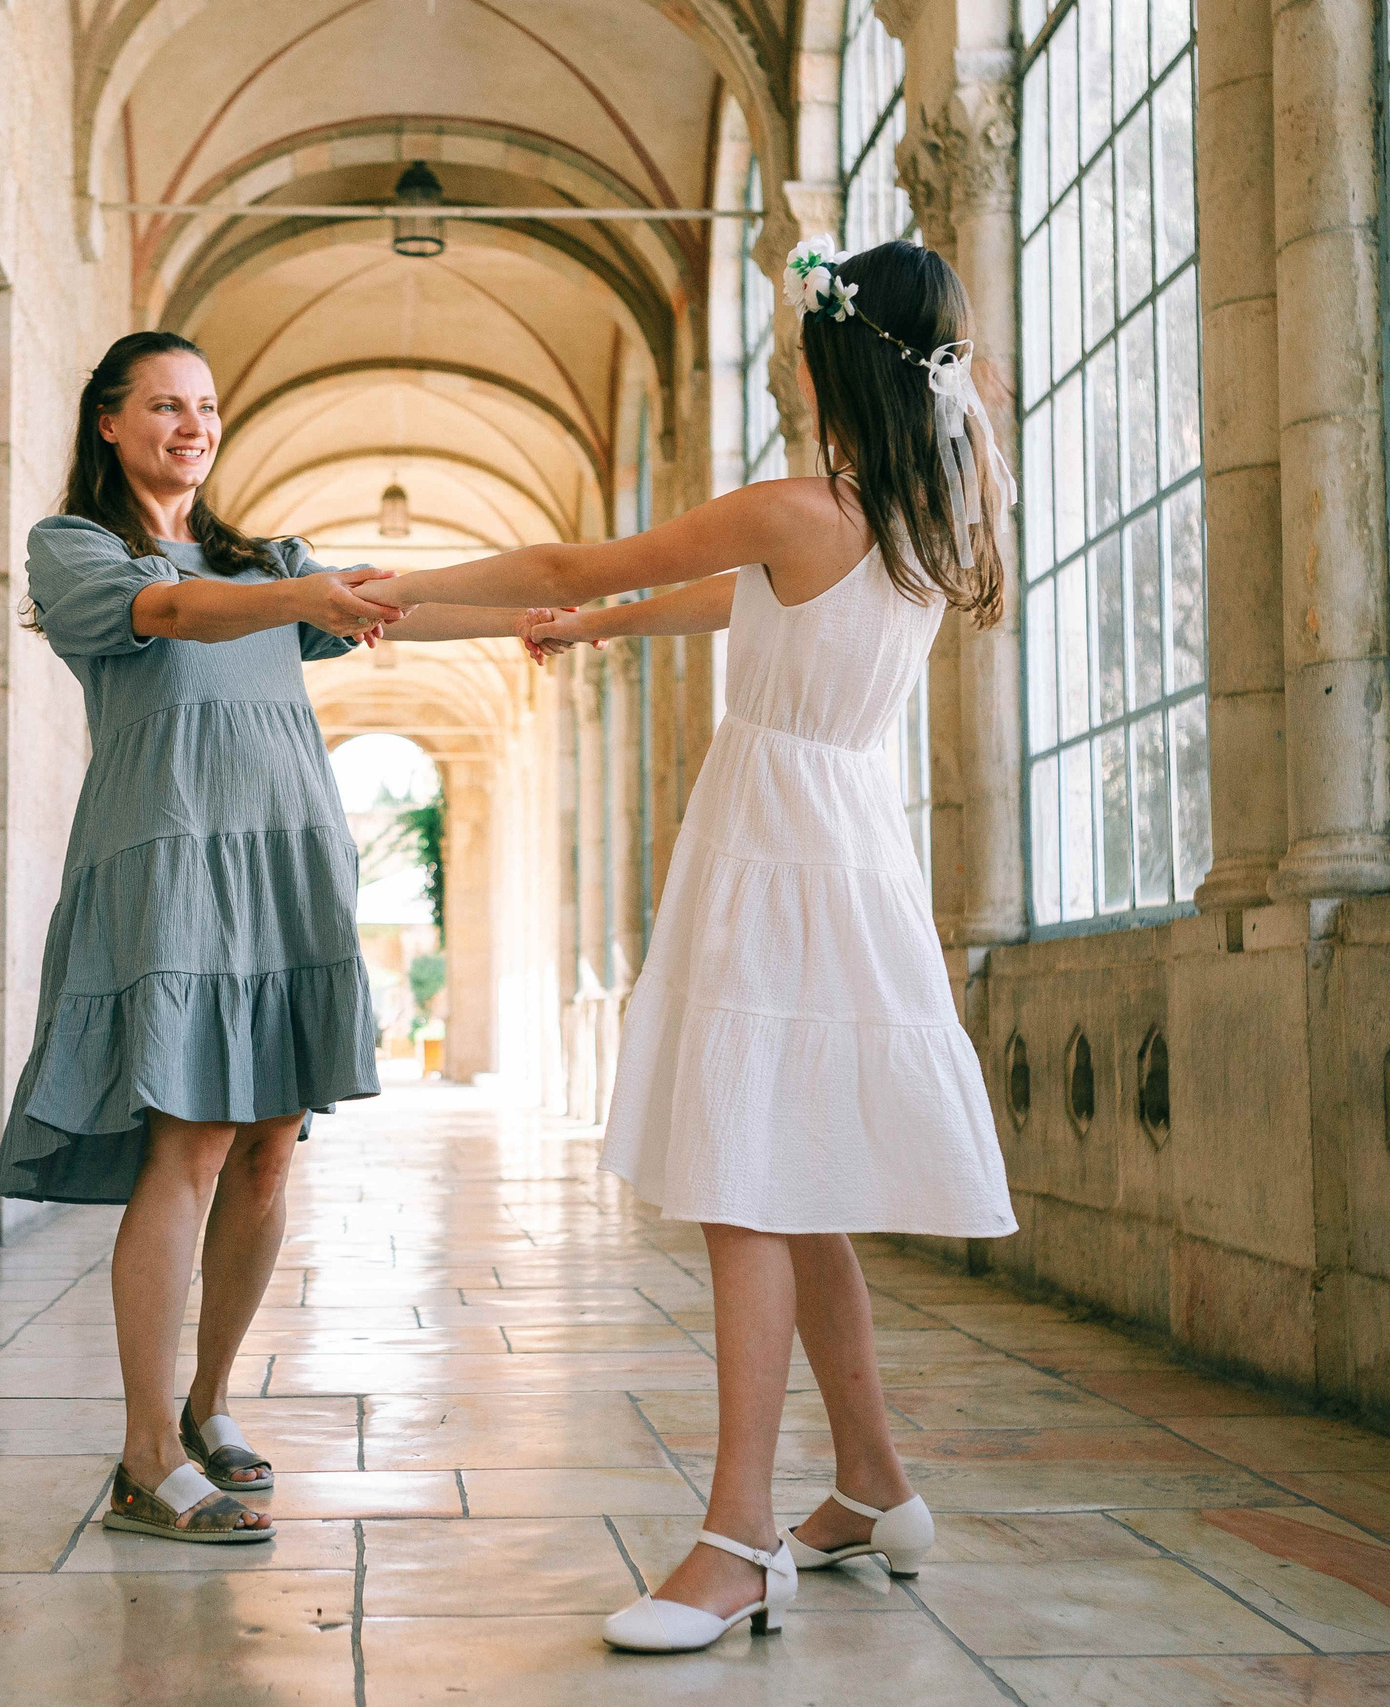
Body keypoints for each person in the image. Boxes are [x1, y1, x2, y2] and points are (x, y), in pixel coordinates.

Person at [372, 241, 1020, 1649]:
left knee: (745, 1175)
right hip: (842, 835)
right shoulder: (930, 510)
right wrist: (596, 626)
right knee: (800, 1177)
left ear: (826, 356)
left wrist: (404, 590)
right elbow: (735, 595)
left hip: (777, 847)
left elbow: (571, 549)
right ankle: (873, 1487)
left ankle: (736, 1537)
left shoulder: (800, 502)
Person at [0, 330, 527, 1544]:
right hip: (176, 858)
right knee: (186, 1145)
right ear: (109, 426)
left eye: (208, 406)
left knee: (270, 1150)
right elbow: (174, 611)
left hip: (287, 856)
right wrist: (297, 598)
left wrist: (521, 611)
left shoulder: (262, 559)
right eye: (166, 406)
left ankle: (207, 1407)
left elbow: (388, 605)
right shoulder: (78, 550)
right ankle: (139, 1457)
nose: (192, 425)